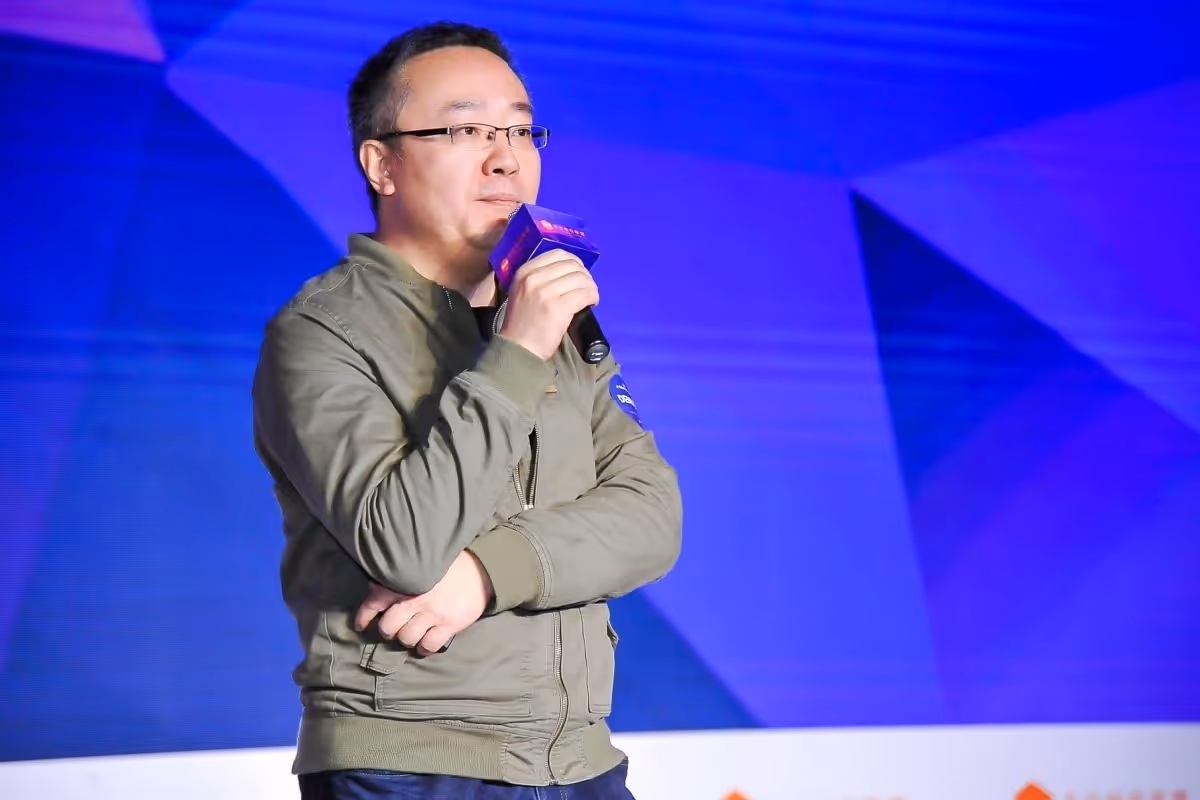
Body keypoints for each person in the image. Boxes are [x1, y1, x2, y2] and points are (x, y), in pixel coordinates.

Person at [250, 20, 683, 800]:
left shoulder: (553, 318)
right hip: (408, 765)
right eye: (464, 130)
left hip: (578, 760)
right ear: (381, 164)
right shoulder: (321, 331)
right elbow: (404, 547)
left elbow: (653, 516)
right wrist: (517, 351)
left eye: (520, 129)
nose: (505, 157)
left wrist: (486, 574)